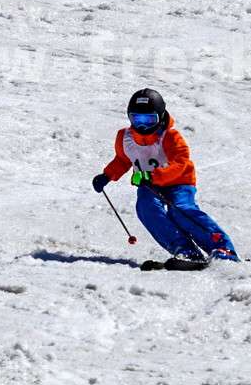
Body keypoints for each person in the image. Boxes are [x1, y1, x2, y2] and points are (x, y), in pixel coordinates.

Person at [91, 88, 238, 264]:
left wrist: (154, 175)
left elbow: (180, 160)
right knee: (146, 207)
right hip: (149, 184)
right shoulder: (125, 137)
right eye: (137, 119)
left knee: (180, 209)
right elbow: (123, 160)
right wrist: (107, 175)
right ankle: (185, 251)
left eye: (149, 120)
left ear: (160, 117)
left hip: (179, 181)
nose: (143, 125)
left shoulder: (170, 135)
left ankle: (222, 248)